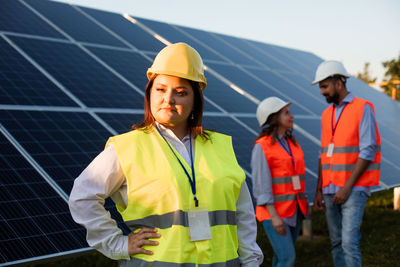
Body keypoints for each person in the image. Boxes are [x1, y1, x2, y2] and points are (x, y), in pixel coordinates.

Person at [68, 42, 263, 266]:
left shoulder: (220, 147)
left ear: (195, 100)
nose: (168, 99)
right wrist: (118, 244)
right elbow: (82, 196)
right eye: (161, 89)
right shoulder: (127, 147)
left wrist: (251, 262)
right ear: (150, 92)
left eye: (181, 92)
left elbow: (243, 214)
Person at [312, 60, 381, 267]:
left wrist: (347, 187)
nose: (322, 92)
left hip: (353, 188)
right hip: (329, 189)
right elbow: (323, 154)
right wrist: (318, 190)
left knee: (349, 243)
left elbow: (367, 151)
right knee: (336, 243)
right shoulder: (326, 115)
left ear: (338, 83)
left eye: (324, 86)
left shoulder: (363, 108)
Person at [251, 96, 309, 267]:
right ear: (274, 117)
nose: (291, 116)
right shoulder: (262, 146)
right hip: (274, 213)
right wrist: (275, 217)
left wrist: (303, 204)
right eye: (286, 113)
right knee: (287, 258)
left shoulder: (292, 143)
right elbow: (261, 186)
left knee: (280, 257)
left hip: (294, 210)